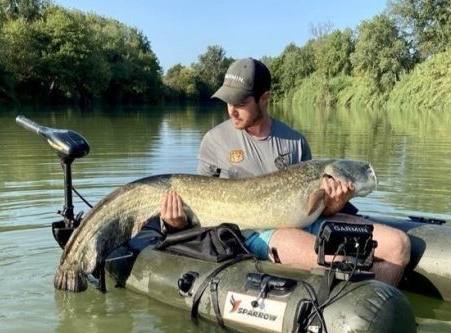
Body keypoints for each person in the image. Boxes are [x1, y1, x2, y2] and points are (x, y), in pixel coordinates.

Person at [160, 58, 410, 287]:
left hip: (308, 225)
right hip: (253, 233)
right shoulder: (214, 141)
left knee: (399, 245)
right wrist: (177, 223)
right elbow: (201, 205)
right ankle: (360, 307)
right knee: (337, 260)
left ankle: (378, 307)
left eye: (240, 103)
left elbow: (314, 211)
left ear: (264, 98)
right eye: (228, 102)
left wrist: (334, 204)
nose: (231, 110)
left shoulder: (295, 142)